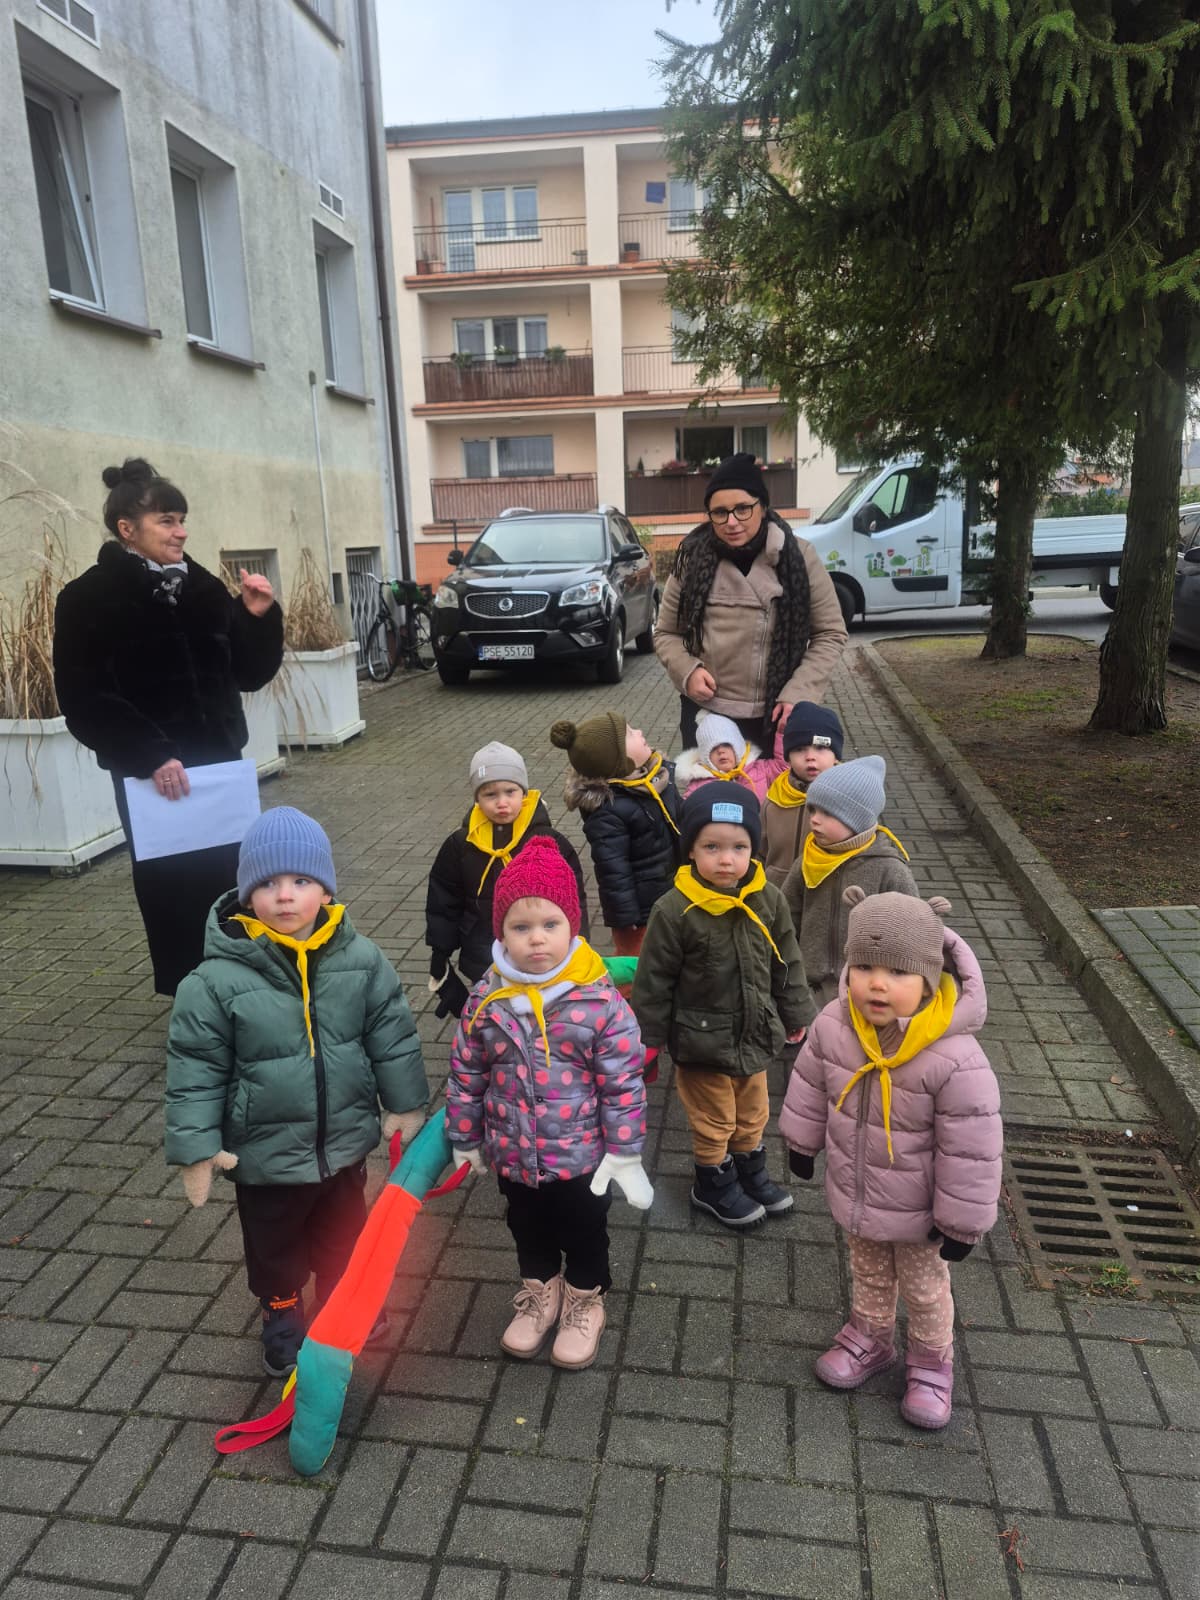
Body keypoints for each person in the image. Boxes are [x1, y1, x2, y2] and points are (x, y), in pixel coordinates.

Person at [164, 807, 429, 1376]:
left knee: (344, 1233)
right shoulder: (213, 982)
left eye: (301, 882)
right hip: (262, 1155)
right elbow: (196, 1069)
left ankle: (341, 1300)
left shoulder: (361, 960)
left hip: (342, 1144)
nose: (285, 897)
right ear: (246, 894)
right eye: (268, 883)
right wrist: (196, 1148)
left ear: (326, 890)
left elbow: (393, 1035)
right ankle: (281, 1315)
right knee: (274, 1247)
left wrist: (405, 1103)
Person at [53, 459, 284, 995]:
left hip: (220, 771)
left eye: (182, 519)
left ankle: (245, 991)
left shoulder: (202, 591)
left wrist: (255, 617)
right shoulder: (88, 598)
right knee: (173, 890)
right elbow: (84, 697)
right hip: (153, 776)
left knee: (238, 883)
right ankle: (194, 1001)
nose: (181, 531)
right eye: (167, 520)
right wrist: (150, 754)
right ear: (126, 529)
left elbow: (247, 675)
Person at [779, 889, 1002, 1430]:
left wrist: (961, 1223)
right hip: (858, 1192)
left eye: (898, 973)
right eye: (866, 967)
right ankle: (871, 1337)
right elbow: (810, 1082)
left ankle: (931, 1362)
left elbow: (972, 1147)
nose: (878, 984)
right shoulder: (836, 1023)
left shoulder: (954, 1057)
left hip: (923, 1213)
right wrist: (801, 1141)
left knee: (925, 1290)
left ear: (929, 981)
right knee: (869, 1272)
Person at [447, 837, 651, 1371]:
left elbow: (624, 1084)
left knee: (585, 1228)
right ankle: (541, 1294)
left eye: (550, 925)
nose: (536, 939)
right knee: (526, 1227)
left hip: (583, 1158)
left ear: (573, 927)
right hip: (513, 1153)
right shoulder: (486, 998)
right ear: (501, 933)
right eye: (520, 927)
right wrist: (466, 1137)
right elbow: (467, 1071)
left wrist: (625, 1153)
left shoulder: (599, 1002)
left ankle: (585, 1300)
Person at [632, 784, 814, 1228]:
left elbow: (786, 959)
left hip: (753, 1033)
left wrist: (796, 1014)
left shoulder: (768, 898)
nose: (726, 859)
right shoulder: (674, 909)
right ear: (691, 850)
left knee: (753, 1112)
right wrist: (648, 1039)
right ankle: (711, 1183)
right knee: (714, 1118)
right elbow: (653, 979)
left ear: (754, 848)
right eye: (712, 847)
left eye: (739, 847)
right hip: (701, 1041)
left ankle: (749, 1171)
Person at [653, 453, 848, 748]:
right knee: (714, 796)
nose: (731, 522)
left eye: (742, 509)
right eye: (720, 512)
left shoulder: (799, 558)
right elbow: (667, 632)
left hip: (779, 714)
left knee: (774, 794)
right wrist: (687, 672)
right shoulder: (691, 562)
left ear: (763, 506)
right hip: (708, 716)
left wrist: (800, 692)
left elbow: (830, 633)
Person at [426, 741, 588, 1020]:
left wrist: (578, 939)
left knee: (541, 1015)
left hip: (541, 947)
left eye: (510, 792)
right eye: (490, 794)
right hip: (482, 951)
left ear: (523, 793)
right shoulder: (461, 844)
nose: (502, 802)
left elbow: (573, 896)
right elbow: (444, 900)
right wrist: (440, 953)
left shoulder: (548, 841)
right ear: (476, 798)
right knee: (493, 1017)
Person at [782, 756, 918, 1007]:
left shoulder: (889, 868)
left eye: (828, 813)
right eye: (812, 809)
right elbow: (787, 915)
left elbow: (912, 931)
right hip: (806, 985)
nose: (814, 819)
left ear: (856, 819)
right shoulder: (808, 860)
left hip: (865, 990)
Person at [553, 711, 680, 959]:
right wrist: (625, 917)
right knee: (637, 965)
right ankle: (623, 998)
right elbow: (613, 870)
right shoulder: (608, 812)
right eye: (630, 734)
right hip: (639, 914)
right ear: (617, 760)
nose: (640, 733)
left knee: (668, 957)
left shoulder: (654, 780)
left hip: (668, 891)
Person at [762, 703, 844, 887]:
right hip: (777, 896)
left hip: (822, 895)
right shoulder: (774, 799)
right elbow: (759, 851)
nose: (810, 757)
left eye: (820, 748)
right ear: (787, 756)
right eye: (799, 749)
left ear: (836, 755)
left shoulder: (847, 801)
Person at [674, 711, 785, 802]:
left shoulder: (760, 769)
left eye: (726, 745)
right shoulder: (698, 785)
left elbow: (782, 768)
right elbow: (686, 811)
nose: (721, 751)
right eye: (713, 748)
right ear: (704, 757)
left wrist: (782, 734)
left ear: (738, 747)